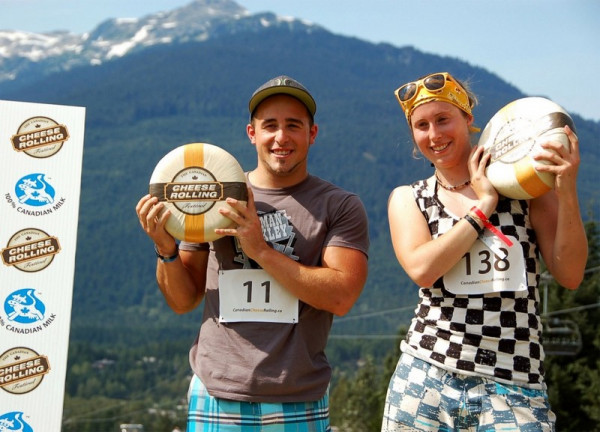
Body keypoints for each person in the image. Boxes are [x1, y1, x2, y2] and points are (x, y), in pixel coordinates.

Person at [136, 75, 369, 431]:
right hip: (216, 391)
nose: (281, 137)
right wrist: (165, 249)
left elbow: (341, 296)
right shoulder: (213, 196)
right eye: (270, 125)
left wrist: (261, 250)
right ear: (252, 133)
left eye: (293, 125)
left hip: (298, 394)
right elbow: (183, 301)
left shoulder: (339, 205)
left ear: (312, 133)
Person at [381, 72, 587, 431]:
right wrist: (483, 207)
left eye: (443, 119)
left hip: (514, 381)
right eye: (422, 126)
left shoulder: (524, 189)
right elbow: (422, 269)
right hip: (425, 375)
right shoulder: (409, 198)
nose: (434, 134)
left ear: (468, 119)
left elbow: (570, 274)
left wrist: (566, 190)